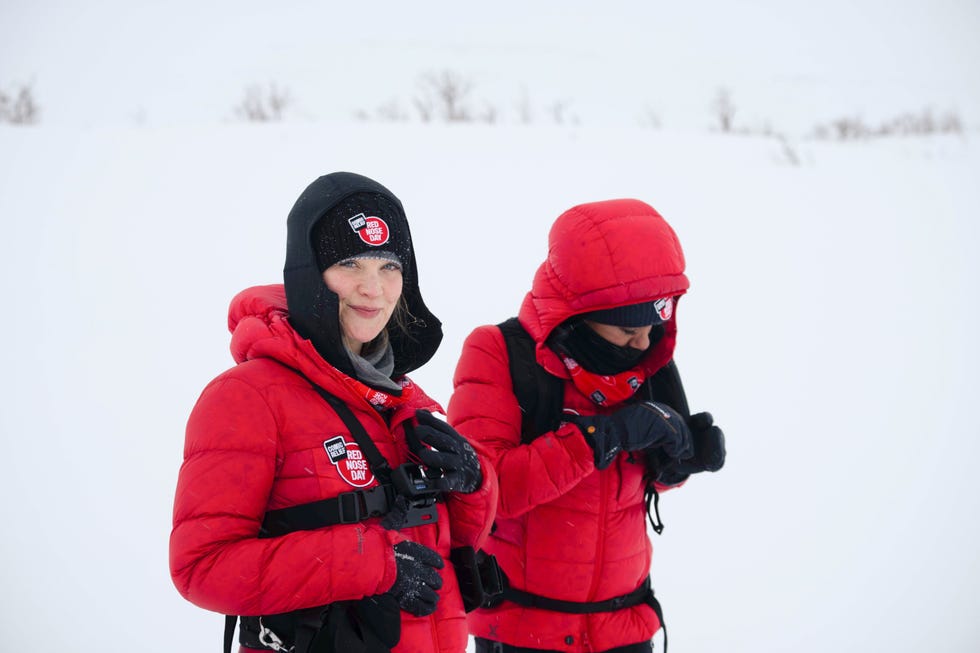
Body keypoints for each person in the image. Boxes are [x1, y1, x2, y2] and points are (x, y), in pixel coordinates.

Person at [170, 171, 498, 653]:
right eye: (350, 264)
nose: (374, 288)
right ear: (309, 274)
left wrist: (473, 486)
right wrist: (372, 565)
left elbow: (449, 544)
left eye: (389, 267)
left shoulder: (400, 396)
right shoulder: (247, 396)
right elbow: (201, 568)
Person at [447, 198, 726, 653]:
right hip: (524, 632)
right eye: (626, 331)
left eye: (656, 325)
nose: (644, 341)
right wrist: (602, 437)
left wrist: (679, 462)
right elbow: (486, 494)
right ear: (579, 314)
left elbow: (638, 482)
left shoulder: (645, 356)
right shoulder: (499, 353)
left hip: (626, 627)